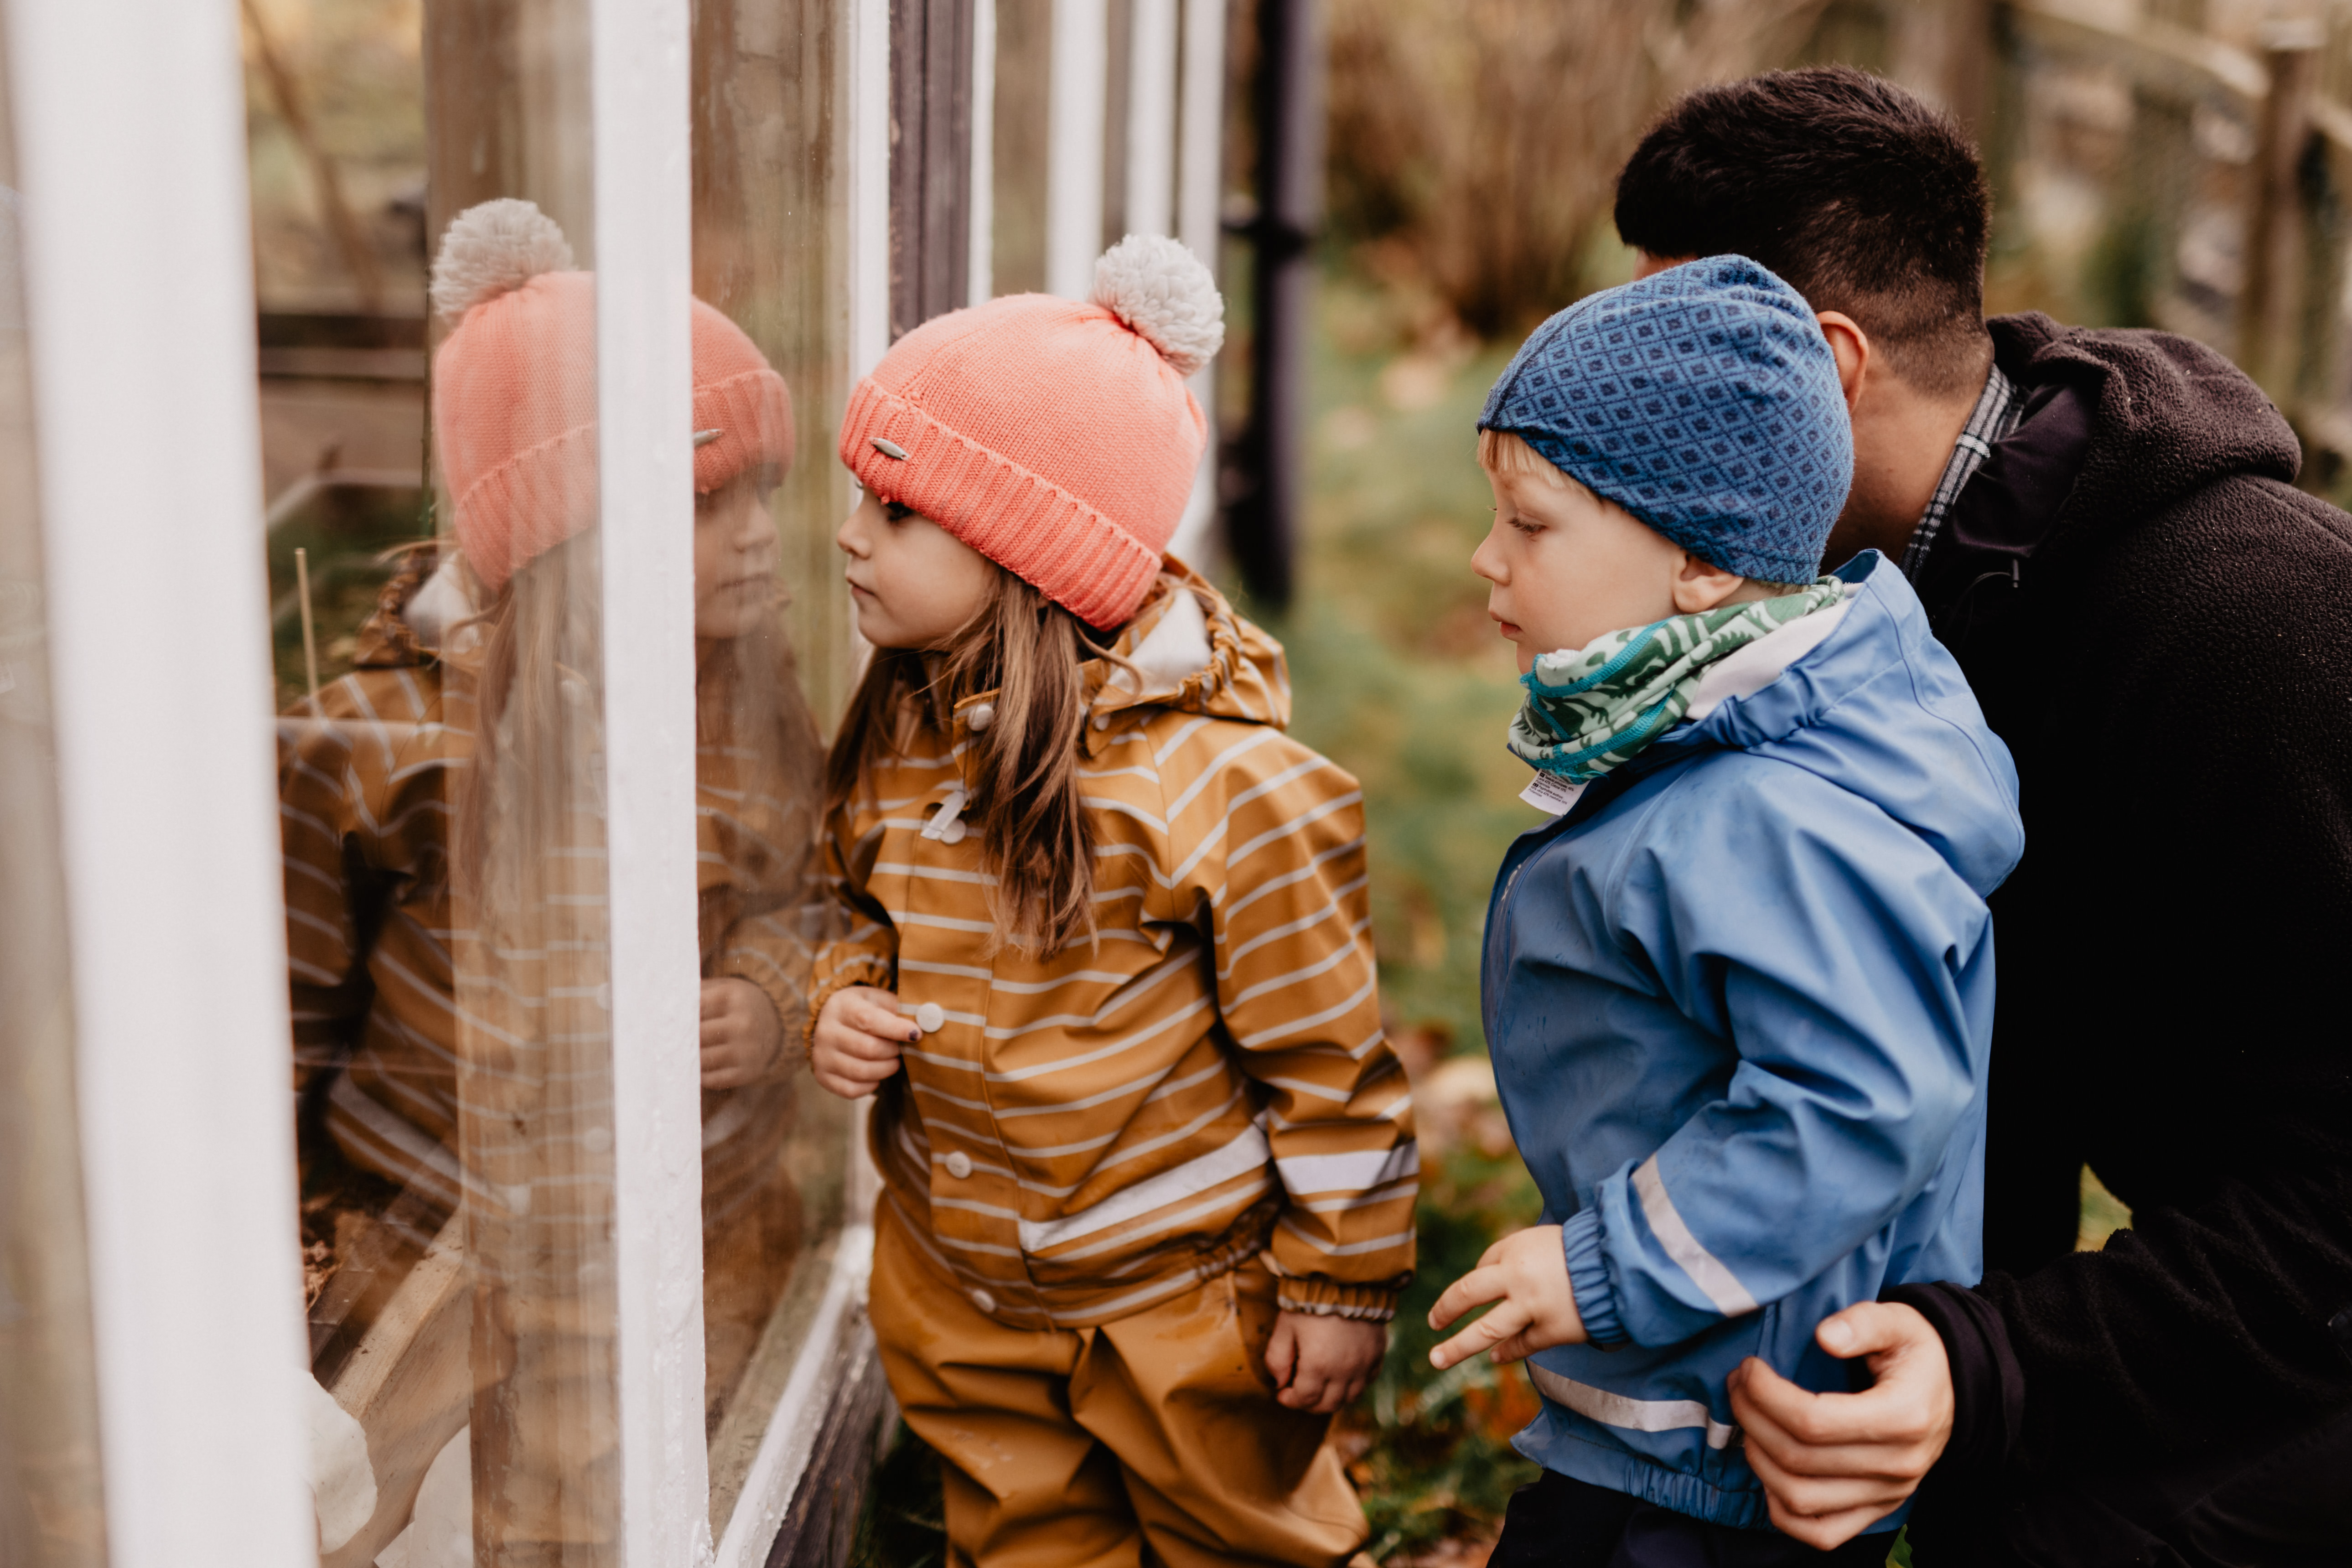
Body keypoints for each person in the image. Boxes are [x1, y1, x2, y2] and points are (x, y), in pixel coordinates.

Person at [1610, 67, 2352, 1562]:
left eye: (1669, 379)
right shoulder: (1898, 618)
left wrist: (1999, 1366)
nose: (1637, 453)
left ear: (1824, 371)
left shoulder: (2244, 634)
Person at [804, 234, 1416, 1568]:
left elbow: (1328, 1061)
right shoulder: (901, 726)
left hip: (1179, 1302)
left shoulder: (1225, 791)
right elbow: (844, 900)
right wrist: (840, 992)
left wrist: (1339, 1281)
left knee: (1240, 1545)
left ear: (1023, 550)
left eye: (895, 512)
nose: (849, 537)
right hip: (960, 1285)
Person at [1421, 257, 2022, 1567]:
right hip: (1671, 1418)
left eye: (1529, 523)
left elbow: (1859, 1094)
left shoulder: (1772, 815)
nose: (1486, 556)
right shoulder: (1714, 738)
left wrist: (1596, 1270)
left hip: (1716, 1463)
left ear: (1696, 559)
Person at [278, 197, 827, 1434]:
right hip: (425, 1246)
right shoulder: (374, 741)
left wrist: (775, 991)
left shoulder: (746, 708)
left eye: (763, 493)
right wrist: (282, 1250)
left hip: (693, 1233)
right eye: (703, 502)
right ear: (561, 538)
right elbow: (285, 1026)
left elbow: (825, 889)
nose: (762, 540)